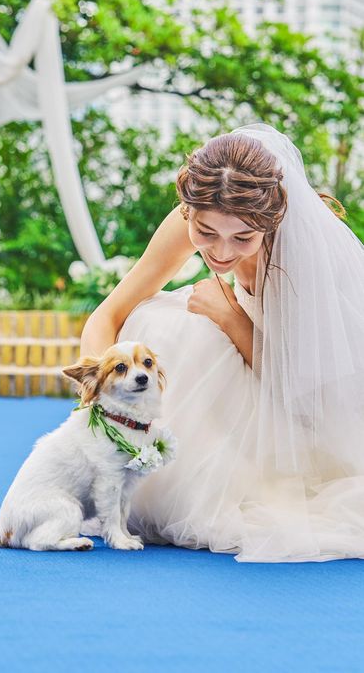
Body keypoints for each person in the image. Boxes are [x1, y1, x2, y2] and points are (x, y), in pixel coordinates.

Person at [79, 123, 364, 562]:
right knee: (154, 315)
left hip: (314, 412)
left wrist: (231, 317)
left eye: (243, 238)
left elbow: (311, 398)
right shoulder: (192, 215)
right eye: (206, 233)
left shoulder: (301, 256)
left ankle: (212, 482)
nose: (222, 252)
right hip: (260, 382)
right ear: (189, 211)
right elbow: (108, 315)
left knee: (196, 324)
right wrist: (99, 402)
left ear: (270, 221)